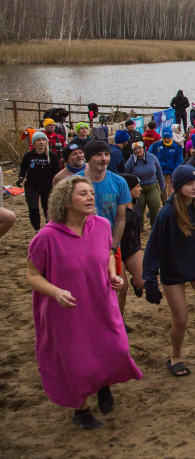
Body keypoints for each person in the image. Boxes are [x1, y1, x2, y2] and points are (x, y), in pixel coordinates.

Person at [26, 177, 142, 430]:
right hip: (67, 308)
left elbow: (108, 254)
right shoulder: (47, 237)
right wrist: (55, 291)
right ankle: (81, 410)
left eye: (91, 192)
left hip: (100, 299)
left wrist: (112, 274)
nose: (91, 197)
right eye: (83, 194)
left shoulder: (101, 225)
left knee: (116, 348)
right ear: (66, 201)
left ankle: (103, 385)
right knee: (77, 361)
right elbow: (32, 275)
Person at [143, 165, 195, 377]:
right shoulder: (167, 213)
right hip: (173, 272)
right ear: (178, 187)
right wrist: (150, 279)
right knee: (180, 319)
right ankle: (176, 356)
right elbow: (153, 249)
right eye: (189, 184)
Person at [17, 131, 62, 231]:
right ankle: (37, 230)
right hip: (31, 185)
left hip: (48, 185)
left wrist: (57, 186)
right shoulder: (28, 155)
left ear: (46, 142)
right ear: (34, 143)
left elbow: (57, 172)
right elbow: (23, 169)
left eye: (43, 140)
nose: (41, 142)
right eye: (38, 140)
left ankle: (48, 229)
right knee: (33, 208)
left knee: (48, 209)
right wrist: (20, 178)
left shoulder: (52, 156)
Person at [116, 173, 145, 316]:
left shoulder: (136, 203)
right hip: (117, 249)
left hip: (133, 247)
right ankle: (119, 319)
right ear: (127, 189)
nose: (140, 189)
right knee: (122, 289)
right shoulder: (116, 206)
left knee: (143, 281)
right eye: (137, 187)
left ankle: (135, 281)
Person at [125, 141, 164, 224]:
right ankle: (139, 226)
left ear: (144, 148)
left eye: (139, 148)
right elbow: (127, 176)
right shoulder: (130, 161)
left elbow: (159, 172)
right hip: (138, 188)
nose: (138, 151)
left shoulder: (152, 158)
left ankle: (154, 224)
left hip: (152, 186)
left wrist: (162, 186)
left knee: (155, 205)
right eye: (135, 149)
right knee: (139, 208)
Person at [150, 127, 184, 202]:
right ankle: (163, 204)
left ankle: (171, 204)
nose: (166, 140)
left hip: (171, 172)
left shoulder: (177, 146)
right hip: (159, 172)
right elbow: (151, 157)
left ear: (171, 137)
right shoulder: (156, 145)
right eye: (165, 138)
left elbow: (179, 161)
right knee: (161, 190)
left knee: (171, 191)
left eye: (168, 138)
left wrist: (175, 172)